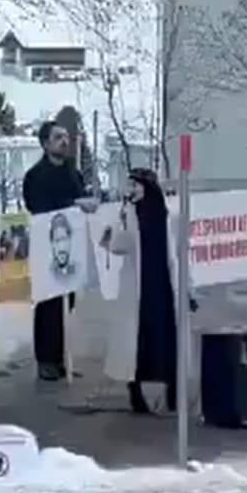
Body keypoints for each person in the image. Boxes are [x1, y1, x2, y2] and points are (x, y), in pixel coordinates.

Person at [98, 169, 178, 414]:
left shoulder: (167, 213)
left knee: (166, 339)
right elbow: (118, 245)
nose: (131, 190)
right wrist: (112, 231)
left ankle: (172, 393)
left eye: (135, 185)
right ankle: (136, 395)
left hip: (162, 284)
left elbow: (177, 250)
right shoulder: (129, 213)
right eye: (129, 185)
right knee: (137, 342)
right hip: (137, 286)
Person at [22, 121, 92, 381]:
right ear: (45, 143)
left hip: (71, 248)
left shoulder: (73, 173)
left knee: (67, 303)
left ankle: (62, 358)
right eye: (58, 137)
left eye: (66, 137)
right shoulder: (36, 176)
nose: (65, 141)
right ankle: (46, 360)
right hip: (47, 248)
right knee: (48, 305)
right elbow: (39, 207)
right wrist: (74, 203)